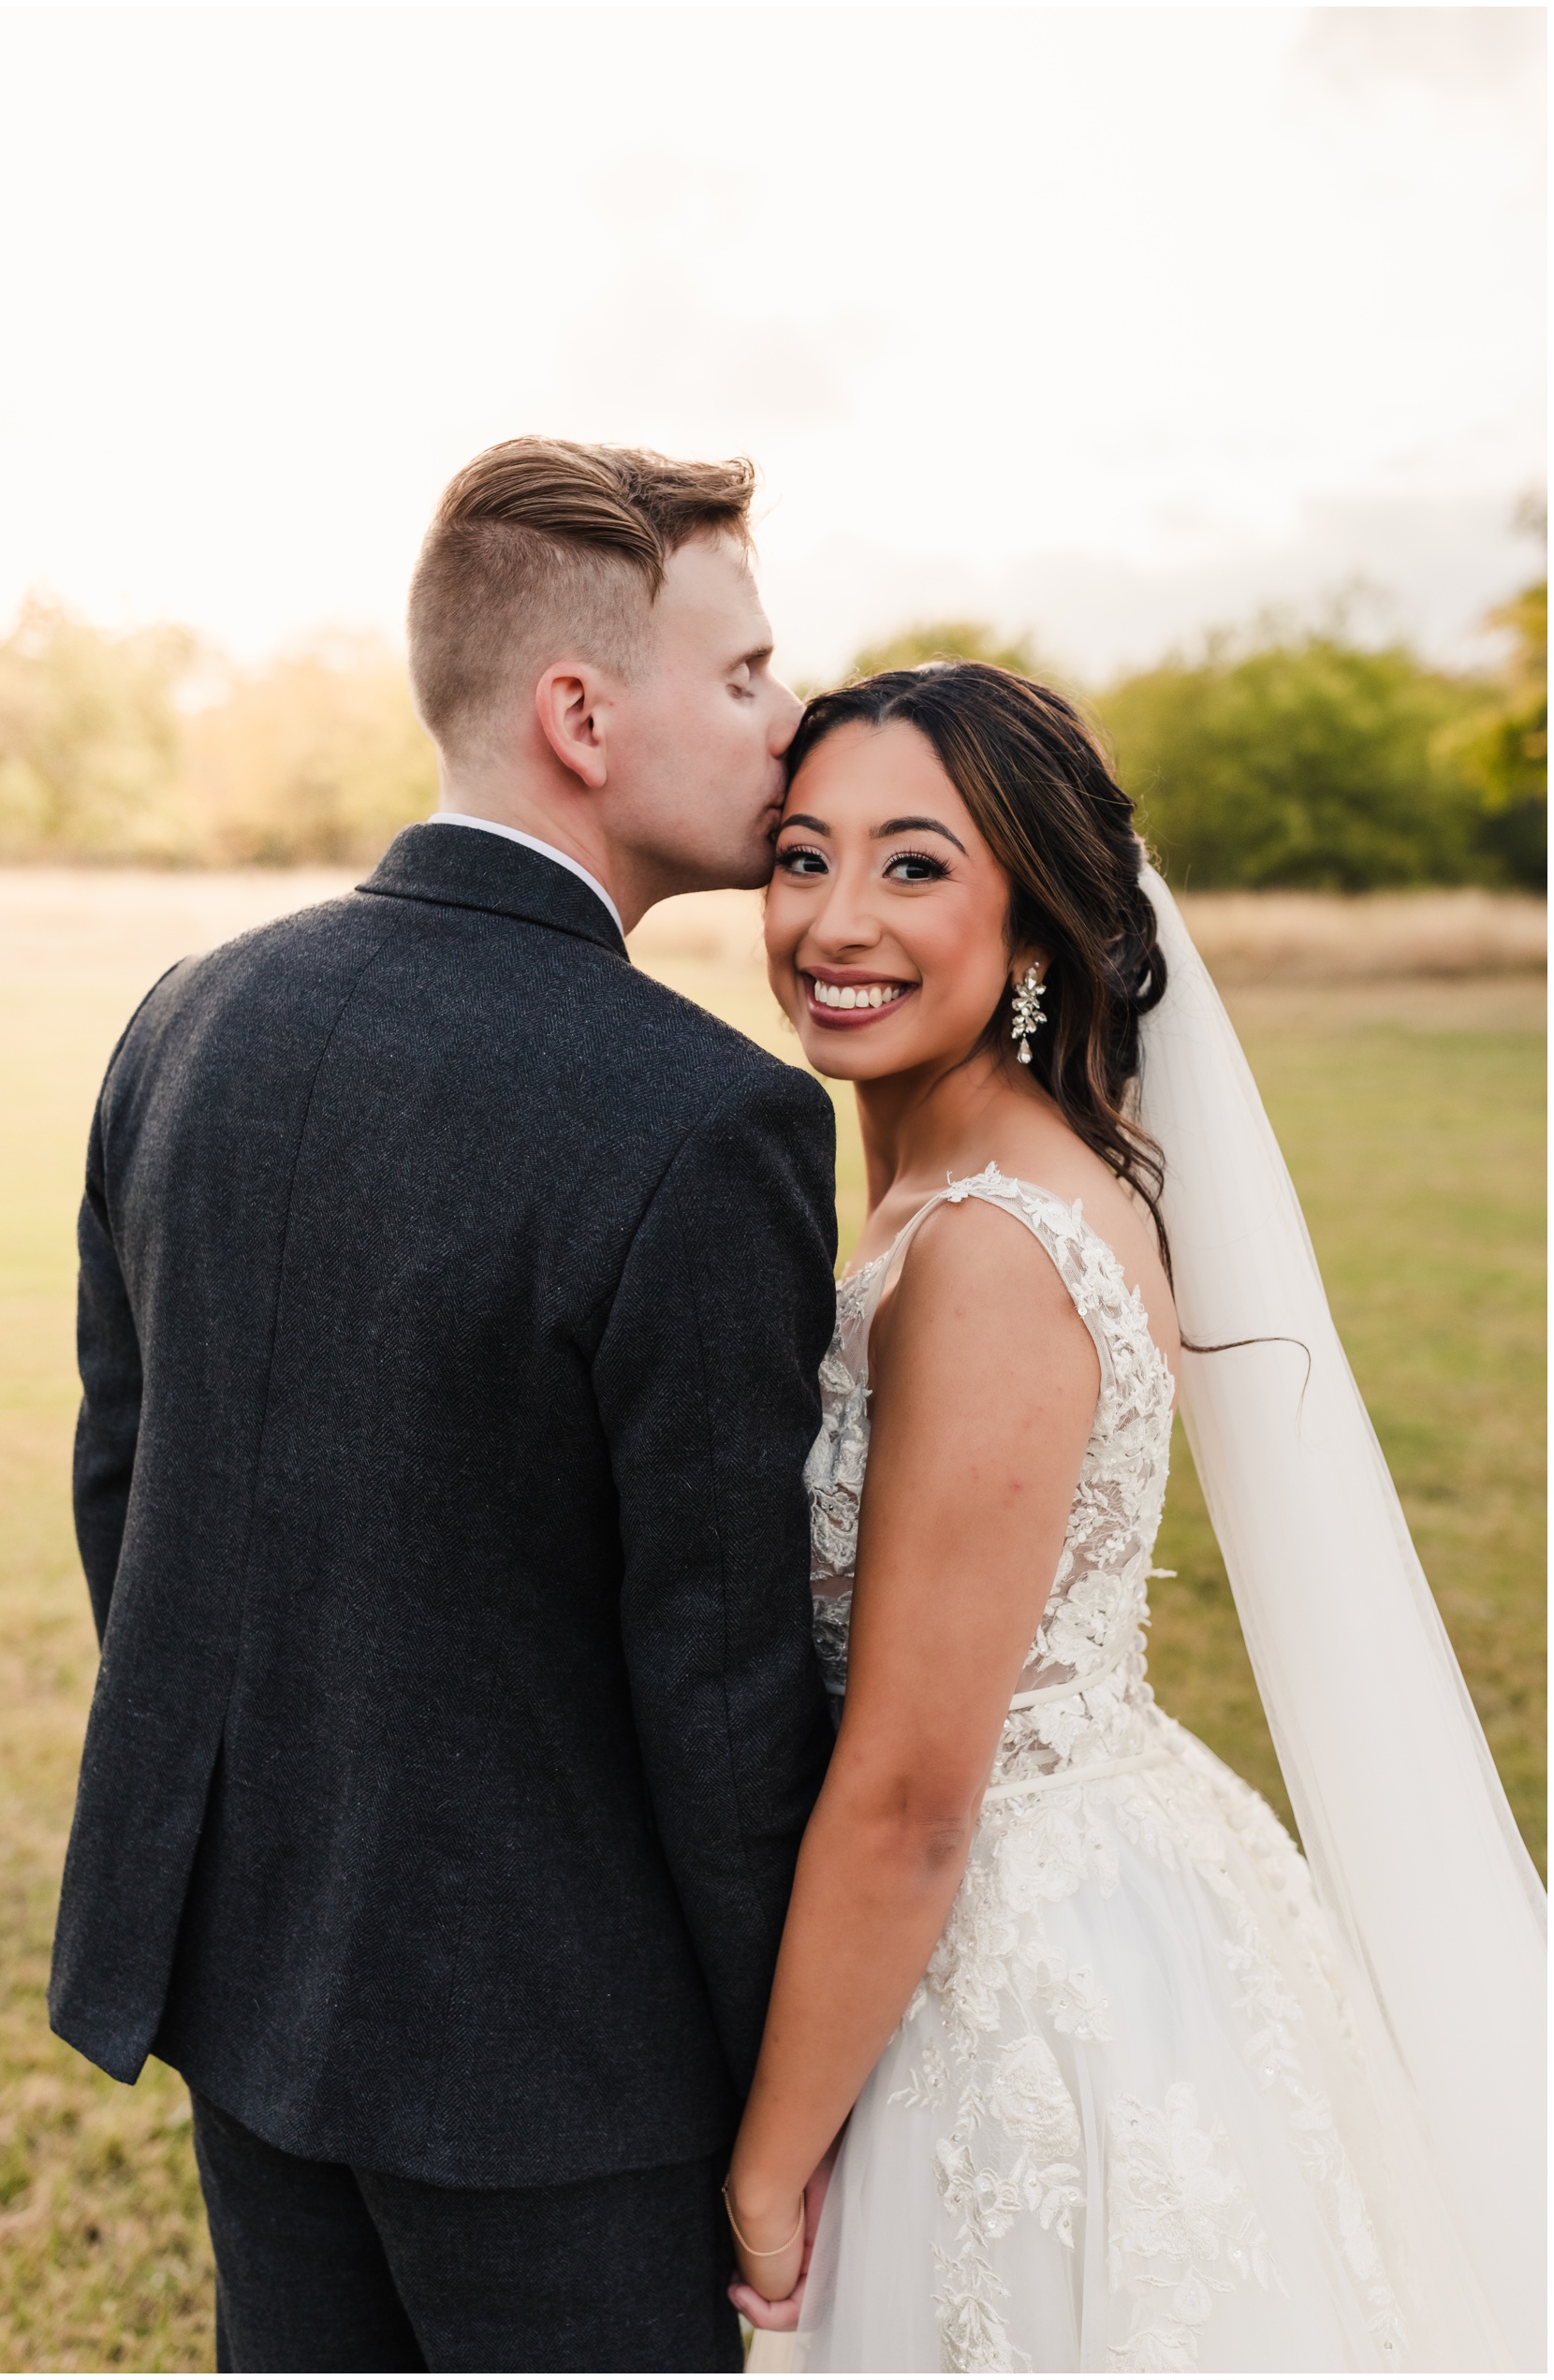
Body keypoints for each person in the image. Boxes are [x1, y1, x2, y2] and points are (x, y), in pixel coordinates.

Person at [49, 437, 839, 2373]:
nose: (790, 717)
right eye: (743, 675)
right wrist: (791, 2106)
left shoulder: (190, 1013)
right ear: (578, 712)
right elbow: (722, 1695)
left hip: (249, 2005)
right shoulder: (710, 1119)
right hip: (571, 2084)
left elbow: (122, 1486)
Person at [726, 662, 1547, 2373]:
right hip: (1064, 1885)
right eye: (803, 857)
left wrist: (764, 2172)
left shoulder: (995, 1250)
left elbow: (909, 1801)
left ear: (1036, 925)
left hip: (1017, 1974)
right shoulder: (958, 1186)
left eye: (914, 864)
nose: (835, 919)